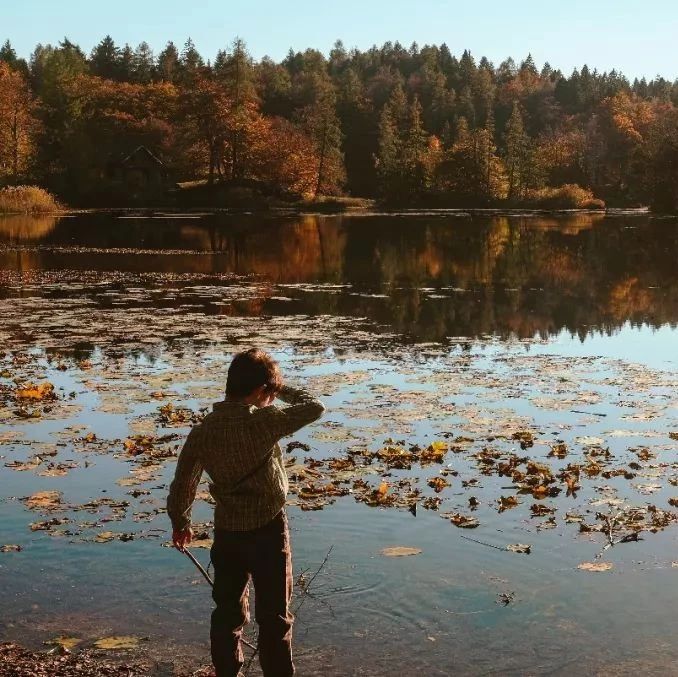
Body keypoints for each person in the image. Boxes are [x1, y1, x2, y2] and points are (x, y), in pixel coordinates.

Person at [167, 348, 325, 677]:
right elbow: (315, 407)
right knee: (274, 619)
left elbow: (184, 483)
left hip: (227, 535)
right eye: (270, 393)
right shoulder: (264, 422)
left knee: (226, 614)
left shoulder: (203, 431)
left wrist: (181, 522)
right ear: (260, 391)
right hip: (269, 531)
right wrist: (283, 390)